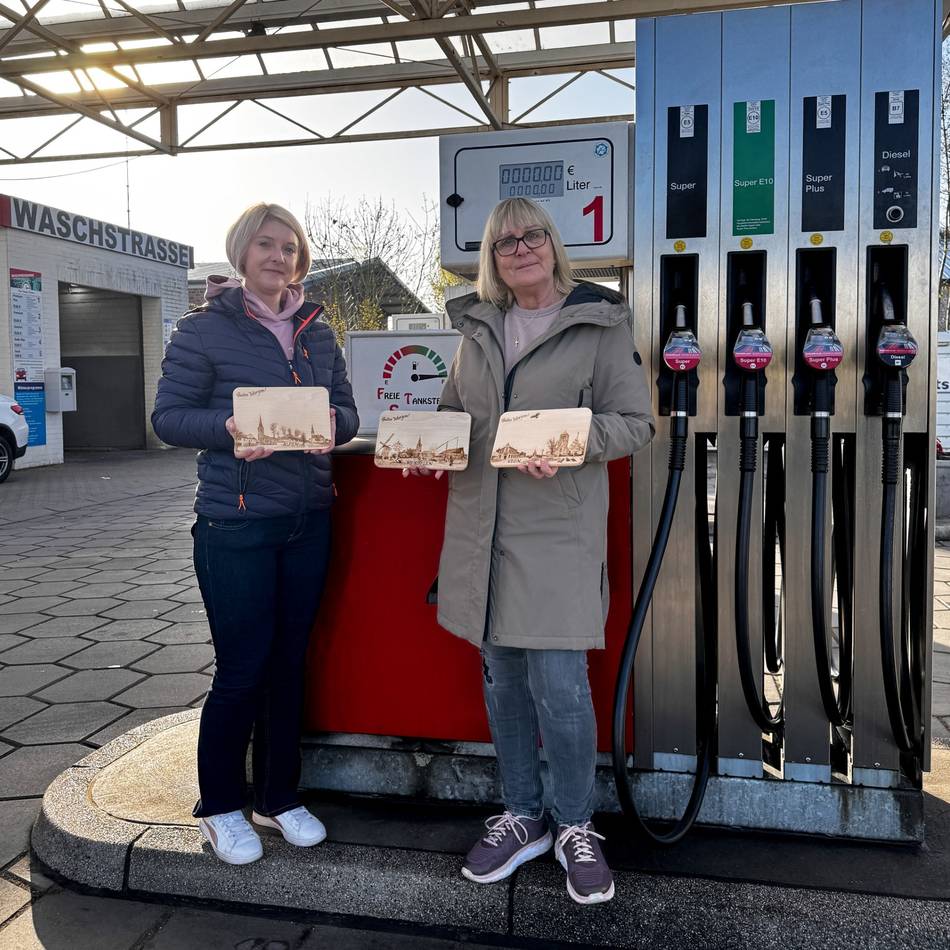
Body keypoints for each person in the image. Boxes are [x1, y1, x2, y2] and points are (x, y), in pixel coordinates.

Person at [409, 197, 654, 905]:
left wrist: (570, 441)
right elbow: (457, 414)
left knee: (561, 690)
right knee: (505, 685)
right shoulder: (478, 329)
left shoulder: (600, 324)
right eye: (505, 241)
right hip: (482, 535)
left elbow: (633, 424)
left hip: (557, 536)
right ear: (491, 259)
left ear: (553, 245)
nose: (520, 248)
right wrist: (433, 449)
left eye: (532, 235)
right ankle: (524, 816)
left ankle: (576, 824)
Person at [152, 202, 359, 865]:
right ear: (241, 253)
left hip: (307, 520)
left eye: (290, 247)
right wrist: (231, 432)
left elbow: (350, 412)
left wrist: (334, 422)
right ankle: (218, 806)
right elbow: (170, 418)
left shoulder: (319, 333)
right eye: (265, 244)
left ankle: (276, 797)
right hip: (234, 523)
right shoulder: (203, 331)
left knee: (288, 665)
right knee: (242, 670)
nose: (279, 255)